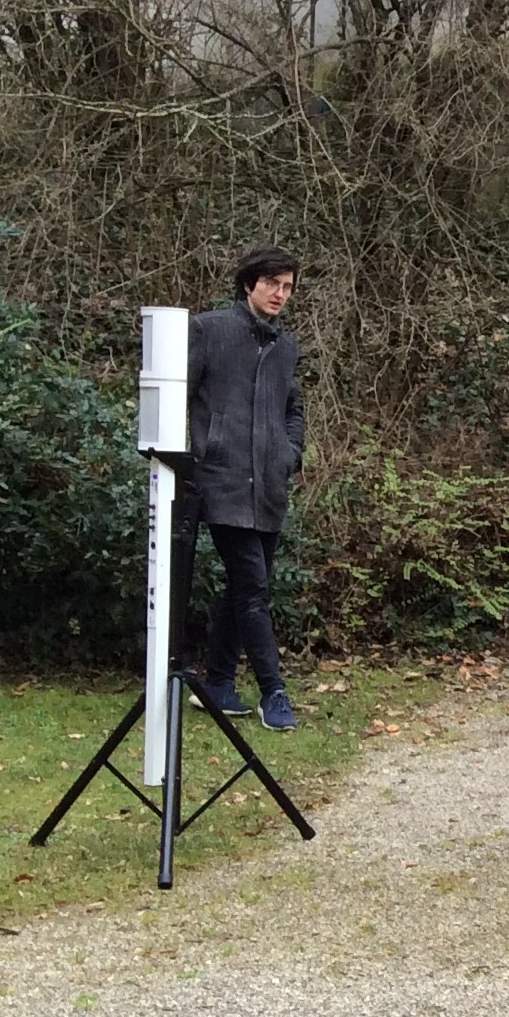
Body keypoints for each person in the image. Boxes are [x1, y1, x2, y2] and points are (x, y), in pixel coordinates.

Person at [189, 247, 306, 732]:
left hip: (269, 488)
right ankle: (272, 691)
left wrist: (288, 453)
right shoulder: (209, 330)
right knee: (254, 587)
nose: (280, 294)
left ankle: (217, 683)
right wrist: (200, 451)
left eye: (287, 287)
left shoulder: (286, 347)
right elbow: (177, 394)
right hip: (223, 483)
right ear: (249, 284)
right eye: (272, 284)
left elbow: (293, 409)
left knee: (243, 587)